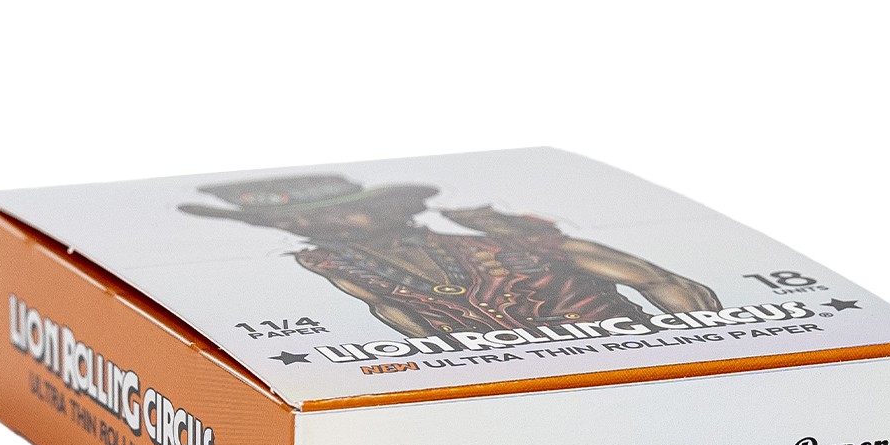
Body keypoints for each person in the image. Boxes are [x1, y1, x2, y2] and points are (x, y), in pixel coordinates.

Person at [179, 174, 721, 338]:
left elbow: (659, 280)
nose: (312, 226)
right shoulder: (328, 263)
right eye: (289, 221)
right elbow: (399, 315)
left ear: (387, 208)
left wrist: (691, 353)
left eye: (342, 212)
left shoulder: (507, 238)